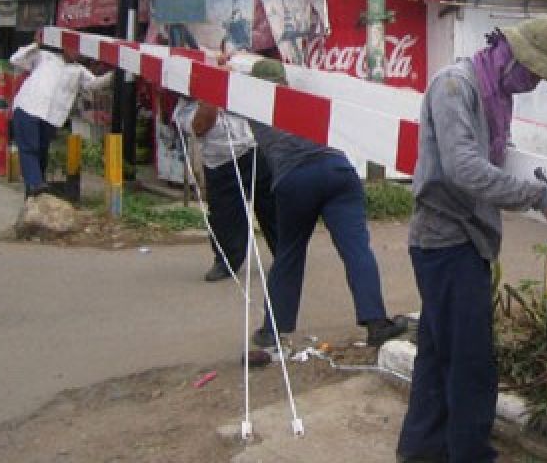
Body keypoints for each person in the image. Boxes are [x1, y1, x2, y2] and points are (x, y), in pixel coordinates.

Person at [397, 17, 547, 463]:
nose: (535, 84)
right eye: (536, 73)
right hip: (446, 241)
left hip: (467, 241)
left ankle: (423, 447)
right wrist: (541, 197)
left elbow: (493, 161)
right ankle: (470, 454)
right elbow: (463, 168)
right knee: (471, 362)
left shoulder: (494, 94)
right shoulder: (455, 87)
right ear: (514, 57)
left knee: (438, 352)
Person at [244, 57, 408, 349]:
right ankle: (376, 323)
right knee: (356, 249)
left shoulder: (249, 104)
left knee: (289, 255)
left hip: (294, 181)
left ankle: (272, 331)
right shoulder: (307, 96)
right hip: (338, 172)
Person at [173, 97, 278, 282]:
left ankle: (285, 257)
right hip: (219, 163)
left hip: (253, 150)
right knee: (224, 215)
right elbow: (202, 124)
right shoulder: (184, 111)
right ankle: (227, 261)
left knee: (272, 206)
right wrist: (212, 94)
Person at [9, 35, 112, 197]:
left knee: (41, 153)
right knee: (30, 148)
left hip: (51, 117)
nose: (76, 52)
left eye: (79, 50)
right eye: (73, 47)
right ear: (64, 47)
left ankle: (34, 192)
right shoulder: (44, 56)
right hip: (27, 107)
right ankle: (35, 184)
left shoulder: (79, 70)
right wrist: (36, 44)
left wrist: (116, 74)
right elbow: (16, 59)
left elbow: (94, 84)